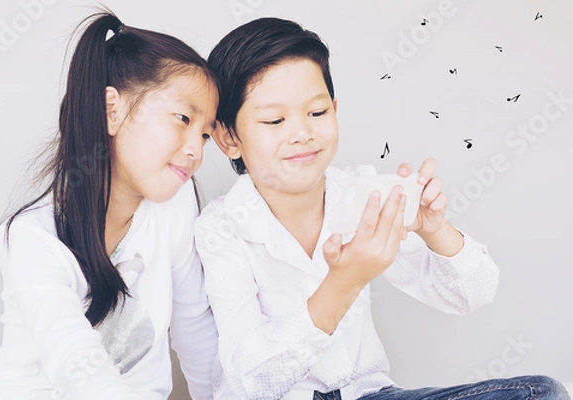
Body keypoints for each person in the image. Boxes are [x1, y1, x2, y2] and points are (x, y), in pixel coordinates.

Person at [194, 17, 570, 400]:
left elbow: (472, 293)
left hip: (368, 395)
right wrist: (344, 282)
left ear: (335, 110)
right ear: (228, 137)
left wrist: (433, 228)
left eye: (318, 113)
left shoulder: (362, 195)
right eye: (275, 120)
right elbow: (250, 381)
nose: (302, 133)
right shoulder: (223, 227)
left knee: (541, 393)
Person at [0, 12, 219, 400]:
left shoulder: (176, 205)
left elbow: (196, 331)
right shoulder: (31, 237)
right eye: (183, 118)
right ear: (112, 110)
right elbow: (77, 367)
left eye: (205, 135)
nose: (196, 150)